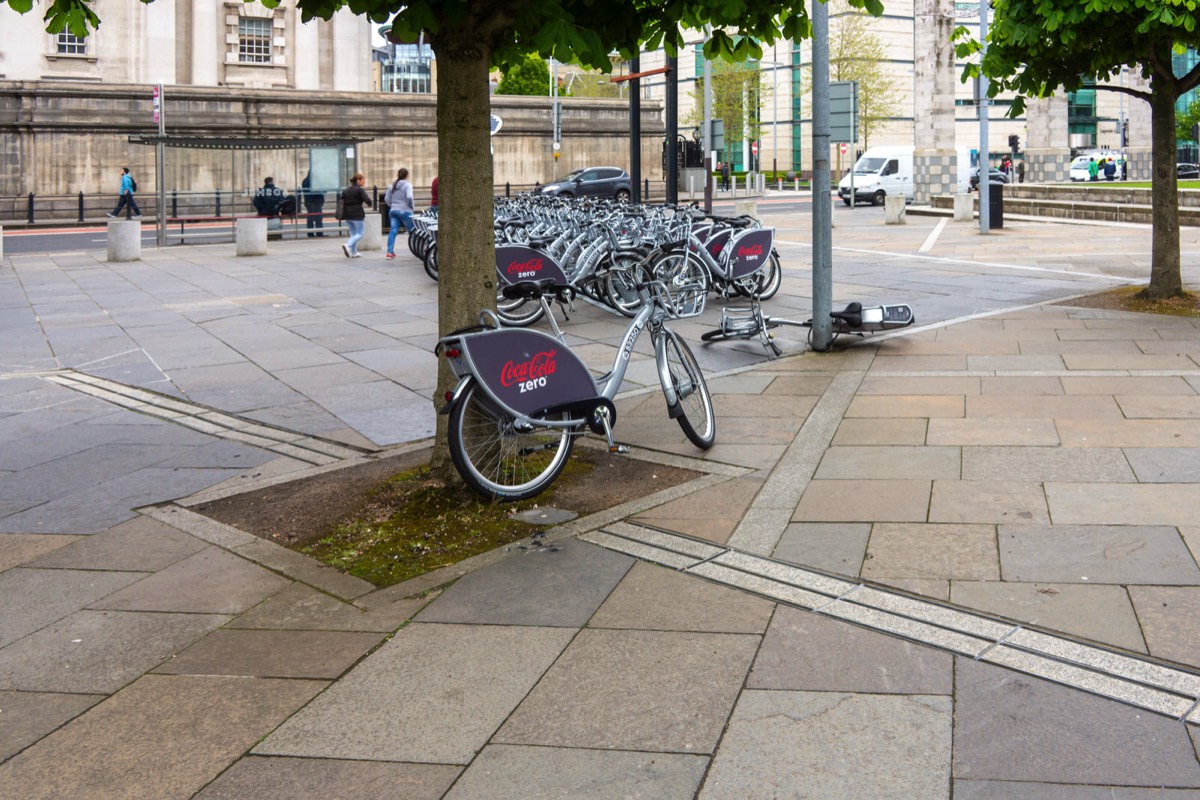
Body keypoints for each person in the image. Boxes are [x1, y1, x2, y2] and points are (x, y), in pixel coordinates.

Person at [383, 167, 415, 260]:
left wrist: (392, 205)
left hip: (393, 211)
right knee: (412, 231)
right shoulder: (408, 185)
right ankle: (420, 249)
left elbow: (386, 199)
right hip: (405, 210)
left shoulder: (392, 185)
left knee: (393, 230)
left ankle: (389, 252)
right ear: (407, 175)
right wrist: (411, 206)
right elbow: (409, 197)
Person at [340, 172, 371, 258]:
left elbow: (341, 200)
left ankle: (354, 252)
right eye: (363, 180)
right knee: (360, 233)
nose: (364, 182)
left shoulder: (346, 190)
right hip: (357, 214)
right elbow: (367, 199)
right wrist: (370, 203)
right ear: (358, 180)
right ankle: (347, 245)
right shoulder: (360, 190)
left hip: (347, 214)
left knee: (353, 234)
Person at [300, 172, 325, 237]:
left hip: (308, 201)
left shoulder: (305, 181)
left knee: (310, 217)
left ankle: (310, 233)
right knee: (318, 217)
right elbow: (318, 190)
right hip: (315, 201)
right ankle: (319, 233)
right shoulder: (314, 181)